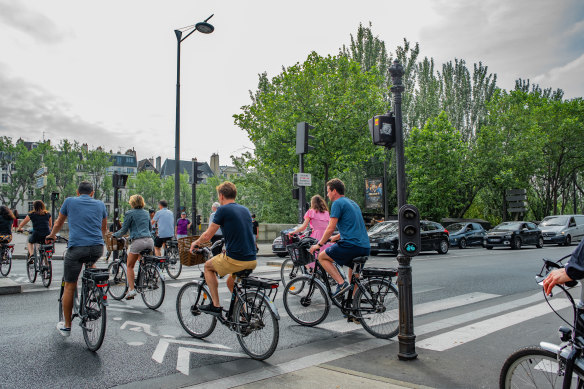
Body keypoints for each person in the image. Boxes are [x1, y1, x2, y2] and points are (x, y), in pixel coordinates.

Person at [46, 181, 107, 337]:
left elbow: (59, 222)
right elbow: (103, 229)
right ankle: (95, 289)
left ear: (77, 192)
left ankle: (67, 326)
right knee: (91, 261)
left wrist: (52, 235)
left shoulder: (70, 201)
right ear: (92, 193)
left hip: (77, 248)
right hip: (97, 247)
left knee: (69, 285)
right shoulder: (100, 204)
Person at [190, 181, 256, 316]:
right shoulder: (245, 209)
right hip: (251, 259)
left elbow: (208, 235)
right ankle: (243, 316)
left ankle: (215, 305)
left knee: (208, 267)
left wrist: (196, 242)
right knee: (231, 283)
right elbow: (240, 231)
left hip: (236, 259)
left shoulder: (222, 210)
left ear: (221, 196)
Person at [309, 179, 370, 298]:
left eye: (328, 191)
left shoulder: (337, 203)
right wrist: (335, 238)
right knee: (354, 278)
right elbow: (353, 227)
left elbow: (330, 227)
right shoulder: (353, 203)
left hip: (351, 246)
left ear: (334, 191)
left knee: (322, 257)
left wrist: (319, 244)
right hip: (364, 246)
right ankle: (353, 306)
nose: (327, 195)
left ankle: (341, 283)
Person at [113, 194, 154, 300]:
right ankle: (147, 277)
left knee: (130, 266)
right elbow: (150, 228)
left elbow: (124, 230)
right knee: (142, 261)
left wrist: (114, 235)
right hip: (149, 241)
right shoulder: (146, 213)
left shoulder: (129, 213)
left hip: (138, 241)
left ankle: (131, 290)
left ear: (132, 203)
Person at [289, 195, 331, 268]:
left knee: (309, 257)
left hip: (316, 236)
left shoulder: (310, 212)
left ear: (313, 203)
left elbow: (303, 227)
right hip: (326, 236)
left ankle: (312, 274)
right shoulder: (326, 213)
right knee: (323, 258)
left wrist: (294, 232)